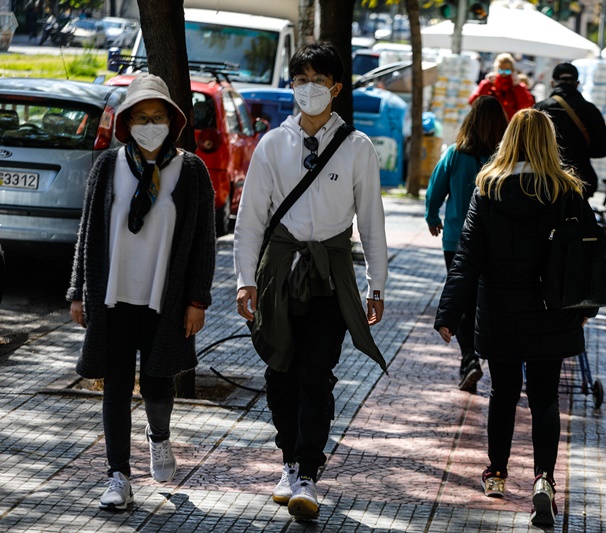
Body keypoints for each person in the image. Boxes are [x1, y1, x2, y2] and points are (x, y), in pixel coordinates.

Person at [233, 42, 388, 521]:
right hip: (278, 274)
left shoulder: (359, 148)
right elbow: (249, 220)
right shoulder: (273, 145)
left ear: (337, 89)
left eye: (318, 82)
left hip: (331, 276)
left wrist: (375, 286)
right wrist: (244, 281)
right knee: (281, 370)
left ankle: (306, 472)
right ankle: (289, 459)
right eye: (300, 81)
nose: (308, 90)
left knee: (316, 371)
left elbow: (372, 222)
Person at [433, 108, 598, 527]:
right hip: (552, 312)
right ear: (548, 142)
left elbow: (467, 258)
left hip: (499, 312)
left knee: (503, 392)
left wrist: (449, 311)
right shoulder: (567, 191)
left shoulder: (486, 189)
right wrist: (587, 307)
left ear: (509, 141)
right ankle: (543, 479)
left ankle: (498, 473)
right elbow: (591, 251)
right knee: (544, 397)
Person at [66, 74, 216, 511]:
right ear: (127, 123)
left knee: (156, 384)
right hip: (112, 297)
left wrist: (196, 300)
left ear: (172, 121)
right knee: (114, 386)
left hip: (162, 301)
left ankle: (159, 436)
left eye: (158, 117)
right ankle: (118, 476)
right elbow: (88, 231)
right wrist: (78, 291)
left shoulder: (190, 170)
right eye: (141, 117)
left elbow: (204, 242)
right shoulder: (108, 166)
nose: (150, 124)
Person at [424, 95, 508, 393]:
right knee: (489, 301)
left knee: (461, 301)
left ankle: (469, 358)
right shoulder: (505, 158)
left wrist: (432, 215)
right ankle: (488, 357)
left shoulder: (456, 154)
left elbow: (436, 187)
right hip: (496, 244)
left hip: (456, 241)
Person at [534, 62, 606, 198]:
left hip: (545, 180)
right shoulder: (590, 110)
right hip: (579, 180)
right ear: (577, 84)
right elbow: (604, 149)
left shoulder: (539, 109)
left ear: (553, 83)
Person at [469, 53, 534, 119]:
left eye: (507, 70)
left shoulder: (518, 87)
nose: (504, 74)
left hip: (510, 124)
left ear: (512, 70)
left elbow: (526, 108)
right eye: (501, 70)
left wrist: (518, 88)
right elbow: (473, 102)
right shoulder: (489, 84)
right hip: (490, 123)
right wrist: (486, 84)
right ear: (496, 70)